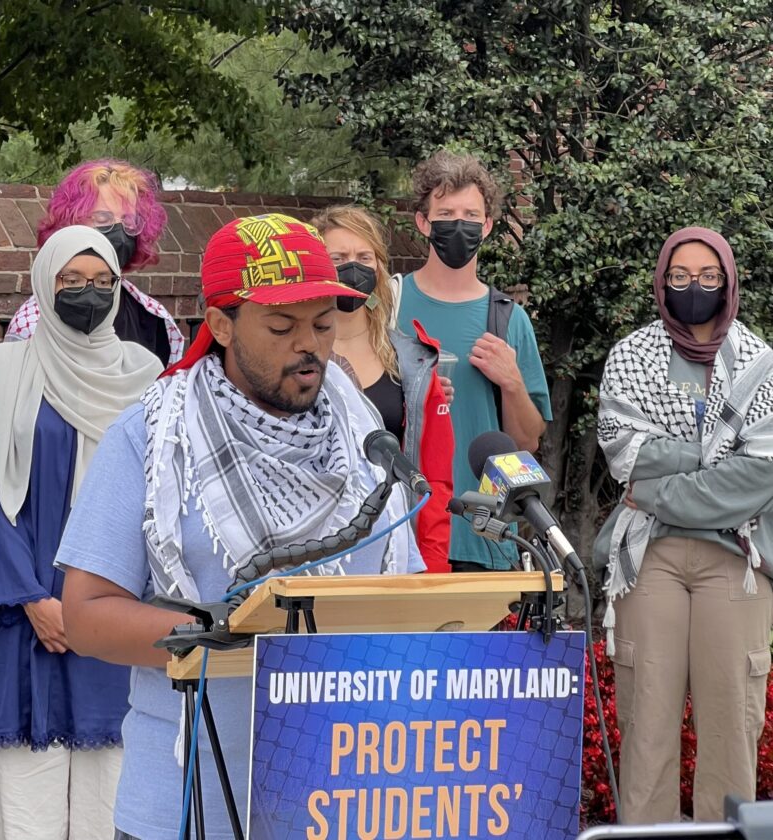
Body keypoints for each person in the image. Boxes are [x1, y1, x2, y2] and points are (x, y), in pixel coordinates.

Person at [56, 213, 424, 840]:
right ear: (221, 324)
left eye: (323, 324)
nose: (308, 344)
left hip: (343, 796)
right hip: (190, 801)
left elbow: (404, 589)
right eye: (281, 326)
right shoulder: (153, 435)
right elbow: (87, 615)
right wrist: (226, 635)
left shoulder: (365, 433)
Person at [0, 226, 162, 838]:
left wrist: (93, 608)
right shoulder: (9, 368)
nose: (87, 294)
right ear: (44, 287)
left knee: (110, 803)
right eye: (70, 282)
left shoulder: (147, 376)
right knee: (27, 809)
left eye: (102, 282)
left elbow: (155, 501)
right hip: (28, 616)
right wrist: (33, 600)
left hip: (114, 608)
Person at [597, 227, 773, 823]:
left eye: (706, 277)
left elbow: (757, 476)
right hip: (649, 557)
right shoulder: (630, 355)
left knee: (731, 724)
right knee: (646, 722)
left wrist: (654, 489)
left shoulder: (760, 363)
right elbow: (625, 452)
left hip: (736, 555)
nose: (692, 288)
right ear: (661, 282)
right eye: (679, 277)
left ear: (727, 282)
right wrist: (710, 456)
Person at [398, 149, 552, 572]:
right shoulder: (390, 306)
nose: (459, 224)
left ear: (486, 226)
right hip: (402, 534)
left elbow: (527, 444)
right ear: (423, 222)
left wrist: (512, 383)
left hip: (483, 535)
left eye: (470, 214)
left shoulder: (508, 319)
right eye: (446, 212)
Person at [311, 204, 454, 571]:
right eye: (338, 257)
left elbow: (434, 477)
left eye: (364, 256)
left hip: (393, 550)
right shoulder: (296, 356)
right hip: (312, 550)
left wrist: (432, 569)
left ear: (378, 267)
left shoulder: (412, 361)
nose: (353, 267)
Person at [3, 158, 183, 365]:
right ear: (71, 222)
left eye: (128, 221)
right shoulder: (32, 324)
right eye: (102, 219)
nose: (118, 231)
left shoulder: (153, 318)